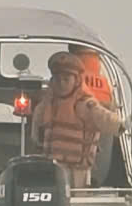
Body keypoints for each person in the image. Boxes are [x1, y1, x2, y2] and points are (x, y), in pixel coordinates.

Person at [28, 48, 126, 184]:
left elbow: (102, 117)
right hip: (53, 164)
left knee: (77, 195)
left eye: (66, 79)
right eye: (57, 79)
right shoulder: (47, 104)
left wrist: (119, 125)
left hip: (78, 167)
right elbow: (37, 125)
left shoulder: (84, 104)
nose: (61, 83)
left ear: (77, 80)